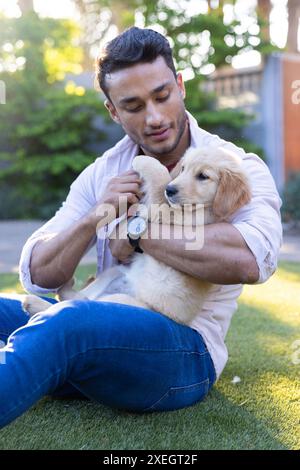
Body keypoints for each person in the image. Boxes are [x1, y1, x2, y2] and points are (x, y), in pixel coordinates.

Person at [0, 27, 282, 428]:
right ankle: (55, 363)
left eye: (162, 96)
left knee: (67, 324)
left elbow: (252, 258)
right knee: (33, 316)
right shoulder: (103, 173)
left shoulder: (236, 167)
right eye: (132, 105)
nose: (154, 117)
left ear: (180, 86)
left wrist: (136, 233)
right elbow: (38, 272)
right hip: (103, 321)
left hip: (184, 350)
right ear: (113, 111)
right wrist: (97, 215)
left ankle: (52, 356)